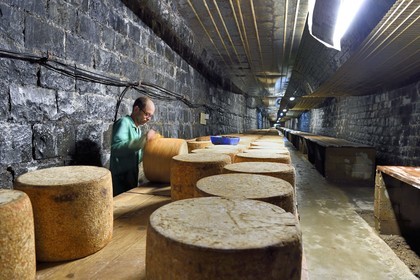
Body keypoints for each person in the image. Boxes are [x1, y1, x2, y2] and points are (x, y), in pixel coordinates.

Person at [110, 96, 156, 196]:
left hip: (130, 180)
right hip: (120, 182)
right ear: (136, 109)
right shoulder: (124, 123)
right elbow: (116, 148)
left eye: (151, 116)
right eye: (147, 114)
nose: (148, 119)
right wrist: (142, 140)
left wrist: (149, 149)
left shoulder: (138, 130)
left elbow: (136, 157)